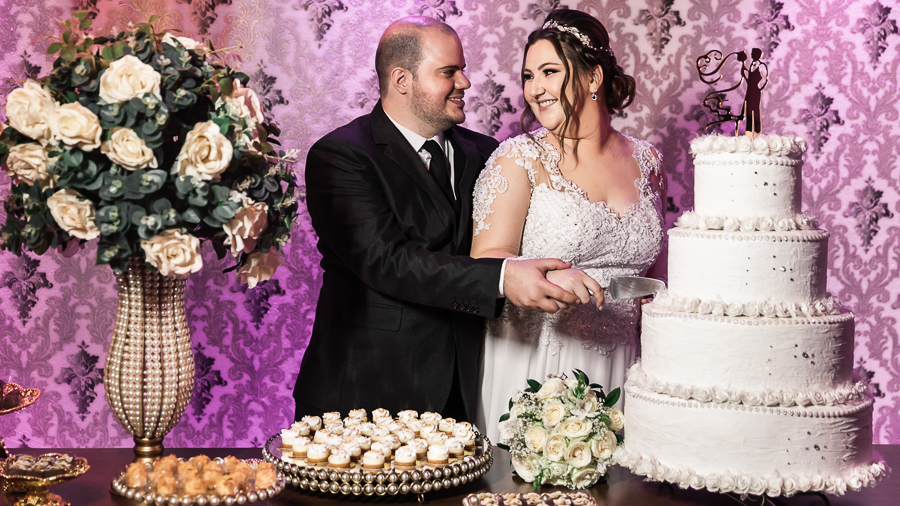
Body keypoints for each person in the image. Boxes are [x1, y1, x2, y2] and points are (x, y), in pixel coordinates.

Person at [294, 16, 583, 423]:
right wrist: (503, 278)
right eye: (449, 72)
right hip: (364, 391)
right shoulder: (341, 155)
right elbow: (387, 261)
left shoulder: (487, 152)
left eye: (462, 69)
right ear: (402, 80)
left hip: (467, 389)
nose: (465, 82)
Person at [472, 9, 666, 442]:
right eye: (528, 76)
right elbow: (485, 260)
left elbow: (653, 275)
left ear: (593, 77)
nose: (534, 88)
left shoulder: (648, 161)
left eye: (549, 72)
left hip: (626, 362)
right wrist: (547, 275)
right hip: (539, 361)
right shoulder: (518, 159)